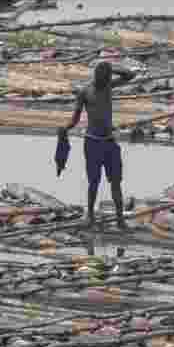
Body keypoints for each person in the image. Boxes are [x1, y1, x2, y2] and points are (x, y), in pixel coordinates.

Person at [60, 61, 136, 229]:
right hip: (92, 142)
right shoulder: (85, 92)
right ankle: (90, 217)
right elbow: (75, 118)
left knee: (115, 181)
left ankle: (120, 219)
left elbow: (130, 75)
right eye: (104, 78)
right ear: (97, 77)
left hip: (109, 142)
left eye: (108, 78)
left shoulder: (109, 86)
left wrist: (112, 67)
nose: (106, 81)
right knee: (94, 182)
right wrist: (65, 128)